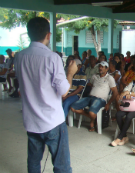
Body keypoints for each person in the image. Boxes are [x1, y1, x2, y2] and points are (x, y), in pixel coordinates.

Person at [14, 17, 76, 173]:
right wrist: (70, 73)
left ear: (29, 34)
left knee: (34, 162)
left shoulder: (19, 57)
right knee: (61, 165)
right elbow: (63, 91)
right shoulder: (52, 57)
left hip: (31, 120)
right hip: (52, 121)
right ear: (48, 35)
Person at [71, 61, 118, 132]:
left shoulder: (110, 78)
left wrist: (108, 103)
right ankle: (94, 118)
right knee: (73, 107)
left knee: (92, 112)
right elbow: (92, 85)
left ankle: (92, 122)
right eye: (99, 66)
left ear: (107, 68)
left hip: (100, 99)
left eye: (102, 67)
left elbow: (115, 92)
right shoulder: (94, 76)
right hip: (90, 97)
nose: (100, 68)